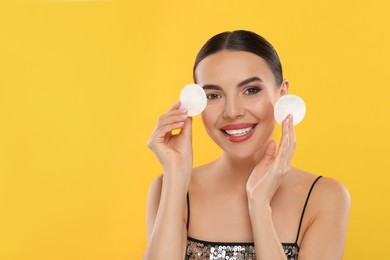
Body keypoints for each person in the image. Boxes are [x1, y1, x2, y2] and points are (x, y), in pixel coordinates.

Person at [143, 30, 350, 260]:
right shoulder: (169, 188)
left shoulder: (325, 197)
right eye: (213, 95)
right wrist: (176, 173)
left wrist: (260, 206)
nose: (232, 112)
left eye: (251, 90)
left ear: (282, 94)